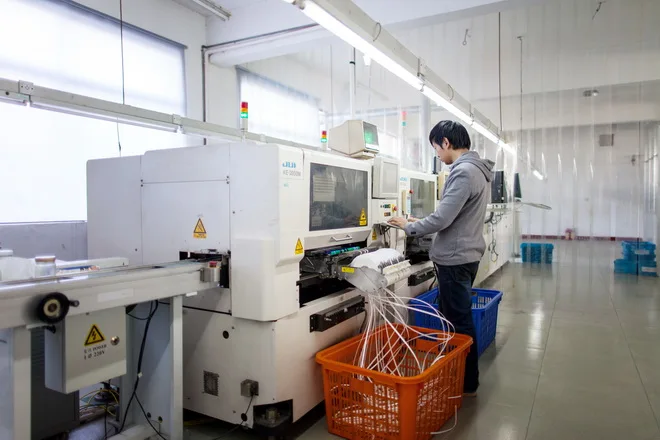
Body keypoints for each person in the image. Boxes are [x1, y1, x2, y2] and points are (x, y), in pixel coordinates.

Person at [388, 120, 493, 396]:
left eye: (436, 148)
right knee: (456, 318)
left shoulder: (463, 172)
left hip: (455, 259)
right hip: (466, 255)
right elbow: (454, 217)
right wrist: (418, 221)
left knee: (458, 322)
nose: (437, 154)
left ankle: (466, 382)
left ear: (446, 142)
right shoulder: (479, 170)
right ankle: (458, 373)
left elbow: (443, 219)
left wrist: (408, 226)